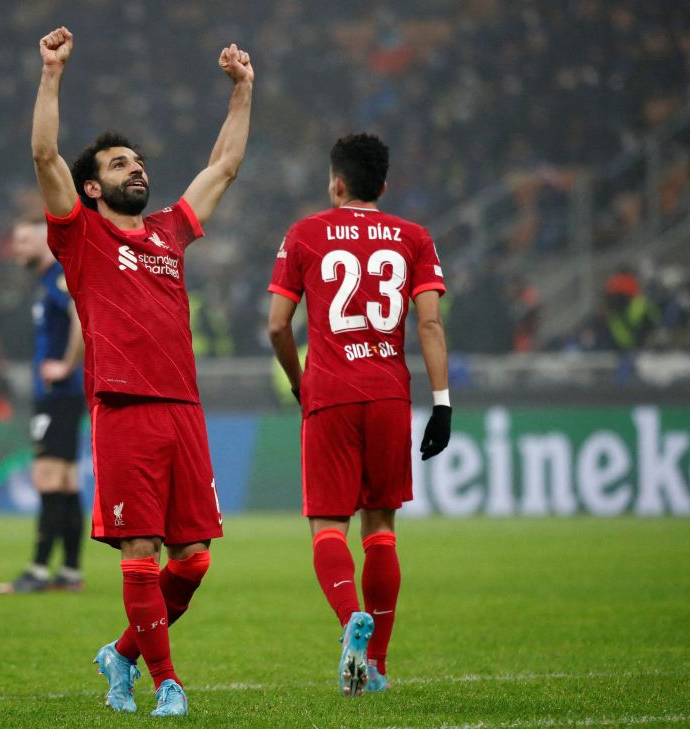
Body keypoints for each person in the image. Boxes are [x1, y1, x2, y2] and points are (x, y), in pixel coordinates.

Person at [30, 26, 253, 717]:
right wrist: (51, 74)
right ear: (91, 185)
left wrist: (243, 90)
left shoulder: (168, 231)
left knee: (193, 560)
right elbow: (43, 154)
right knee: (140, 550)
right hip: (123, 406)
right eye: (121, 163)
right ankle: (167, 683)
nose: (137, 169)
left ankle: (122, 653)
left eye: (140, 162)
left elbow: (223, 167)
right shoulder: (80, 235)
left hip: (183, 407)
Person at [267, 133, 452, 697]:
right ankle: (377, 668)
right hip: (390, 394)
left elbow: (277, 325)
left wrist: (300, 383)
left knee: (329, 526)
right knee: (381, 530)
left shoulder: (304, 233)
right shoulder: (414, 237)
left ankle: (351, 618)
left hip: (331, 392)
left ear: (337, 183)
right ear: (384, 185)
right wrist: (442, 402)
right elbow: (429, 324)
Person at [0, 220, 86, 594]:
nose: (16, 247)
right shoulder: (47, 280)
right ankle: (69, 571)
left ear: (45, 241)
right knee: (66, 480)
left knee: (48, 477)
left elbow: (82, 313)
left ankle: (37, 570)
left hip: (59, 394)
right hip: (64, 395)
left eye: (23, 240)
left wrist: (67, 364)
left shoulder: (59, 276)